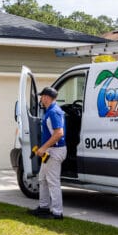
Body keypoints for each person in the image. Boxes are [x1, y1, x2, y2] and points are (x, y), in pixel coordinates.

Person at [29, 86, 67, 220]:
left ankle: (57, 213)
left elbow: (58, 133)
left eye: (42, 96)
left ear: (47, 97)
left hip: (55, 151)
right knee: (43, 179)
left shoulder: (53, 112)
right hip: (51, 150)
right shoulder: (51, 110)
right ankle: (44, 207)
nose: (40, 98)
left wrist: (43, 148)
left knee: (52, 182)